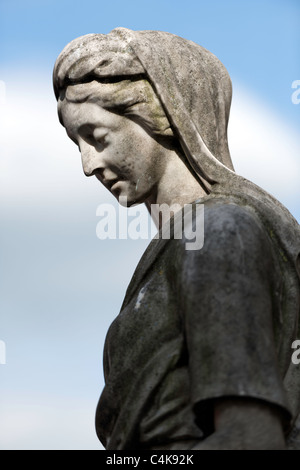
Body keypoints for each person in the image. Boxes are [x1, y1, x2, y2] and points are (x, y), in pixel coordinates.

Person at [53, 28, 300, 450]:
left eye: (95, 136)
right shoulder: (184, 242)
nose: (87, 165)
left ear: (160, 115)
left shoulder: (218, 233)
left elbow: (252, 437)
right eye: (76, 143)